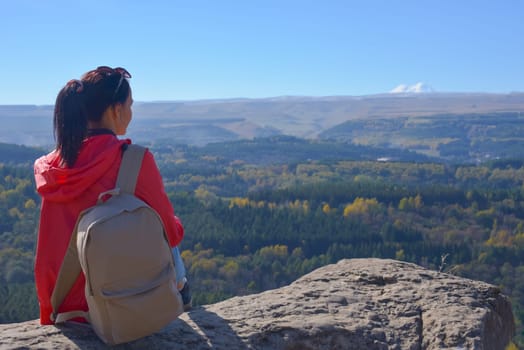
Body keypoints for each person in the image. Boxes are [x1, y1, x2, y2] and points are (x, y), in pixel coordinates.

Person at [34, 66, 191, 325]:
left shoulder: (50, 167)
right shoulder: (134, 160)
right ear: (115, 110)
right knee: (170, 234)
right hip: (117, 304)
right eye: (130, 105)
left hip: (60, 305)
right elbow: (170, 234)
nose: (130, 113)